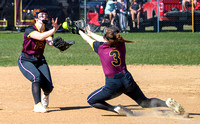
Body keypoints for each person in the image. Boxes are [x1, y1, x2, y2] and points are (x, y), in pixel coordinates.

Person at [78, 25, 185, 116]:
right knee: (145, 102)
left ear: (106, 39)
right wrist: (91, 33)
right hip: (127, 80)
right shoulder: (121, 44)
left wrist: (80, 32)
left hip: (113, 85)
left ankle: (115, 109)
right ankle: (167, 103)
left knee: (91, 100)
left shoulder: (100, 48)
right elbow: (104, 39)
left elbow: (88, 40)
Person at [18, 8, 61, 113]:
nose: (44, 17)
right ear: (36, 18)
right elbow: (40, 37)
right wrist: (53, 30)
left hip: (40, 60)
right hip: (26, 60)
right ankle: (37, 105)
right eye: (41, 15)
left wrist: (57, 44)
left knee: (49, 88)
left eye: (46, 15)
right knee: (36, 77)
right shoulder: (29, 29)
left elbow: (49, 41)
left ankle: (45, 95)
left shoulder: (47, 30)